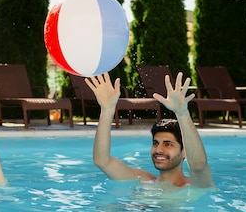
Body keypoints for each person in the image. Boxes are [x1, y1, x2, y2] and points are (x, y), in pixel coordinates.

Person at [85, 72, 214, 189]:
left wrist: (182, 114)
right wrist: (107, 110)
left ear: (185, 152)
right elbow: (101, 161)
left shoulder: (195, 186)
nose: (159, 150)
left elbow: (198, 166)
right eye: (155, 143)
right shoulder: (144, 180)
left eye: (168, 144)